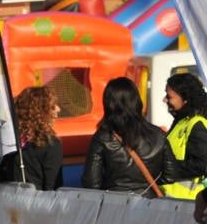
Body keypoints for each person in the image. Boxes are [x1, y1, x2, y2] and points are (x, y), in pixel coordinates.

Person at [81, 76, 169, 196]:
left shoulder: (103, 137)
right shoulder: (159, 134)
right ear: (137, 100)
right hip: (149, 204)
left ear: (108, 104)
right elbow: (171, 174)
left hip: (115, 205)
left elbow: (91, 182)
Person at [0, 86, 63, 189]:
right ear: (41, 111)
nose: (58, 109)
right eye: (53, 106)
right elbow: (53, 189)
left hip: (10, 202)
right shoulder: (50, 144)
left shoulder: (9, 142)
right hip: (38, 203)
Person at [162, 72, 207, 200]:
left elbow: (202, 164)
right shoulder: (182, 121)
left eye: (169, 96)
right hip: (173, 201)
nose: (164, 100)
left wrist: (169, 168)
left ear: (185, 99)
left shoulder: (196, 124)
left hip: (187, 204)